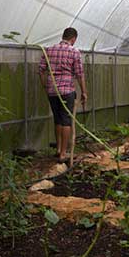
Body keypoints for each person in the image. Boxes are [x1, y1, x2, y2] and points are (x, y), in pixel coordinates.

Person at [39, 27, 87, 161]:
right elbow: (79, 74)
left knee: (58, 118)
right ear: (73, 39)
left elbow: (41, 71)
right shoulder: (74, 52)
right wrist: (84, 92)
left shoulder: (49, 50)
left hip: (52, 90)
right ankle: (63, 154)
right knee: (66, 120)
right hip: (66, 91)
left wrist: (45, 86)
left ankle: (59, 148)